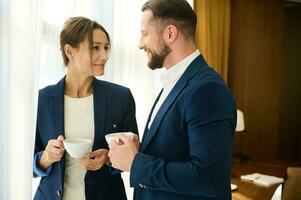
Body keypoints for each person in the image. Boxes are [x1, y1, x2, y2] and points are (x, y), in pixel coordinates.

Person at [108, 0, 236, 199]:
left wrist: (136, 164)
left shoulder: (207, 89)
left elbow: (209, 177)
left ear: (170, 33)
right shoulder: (174, 81)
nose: (140, 44)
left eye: (144, 34)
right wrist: (138, 151)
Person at [33, 16, 138, 200]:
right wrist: (46, 157)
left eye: (106, 48)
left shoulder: (120, 98)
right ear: (69, 51)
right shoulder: (41, 100)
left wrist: (108, 158)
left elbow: (134, 156)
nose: (104, 56)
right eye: (95, 48)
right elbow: (24, 163)